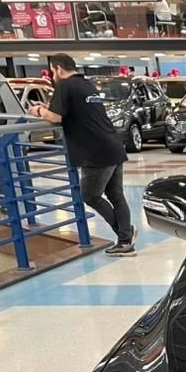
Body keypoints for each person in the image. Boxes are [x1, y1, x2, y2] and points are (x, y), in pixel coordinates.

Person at [28, 53, 136, 256]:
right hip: (113, 145)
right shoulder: (86, 84)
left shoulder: (64, 85)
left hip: (95, 151)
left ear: (59, 69)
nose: (53, 76)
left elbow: (56, 116)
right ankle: (125, 238)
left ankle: (126, 235)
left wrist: (39, 111)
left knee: (90, 196)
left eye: (52, 71)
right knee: (116, 195)